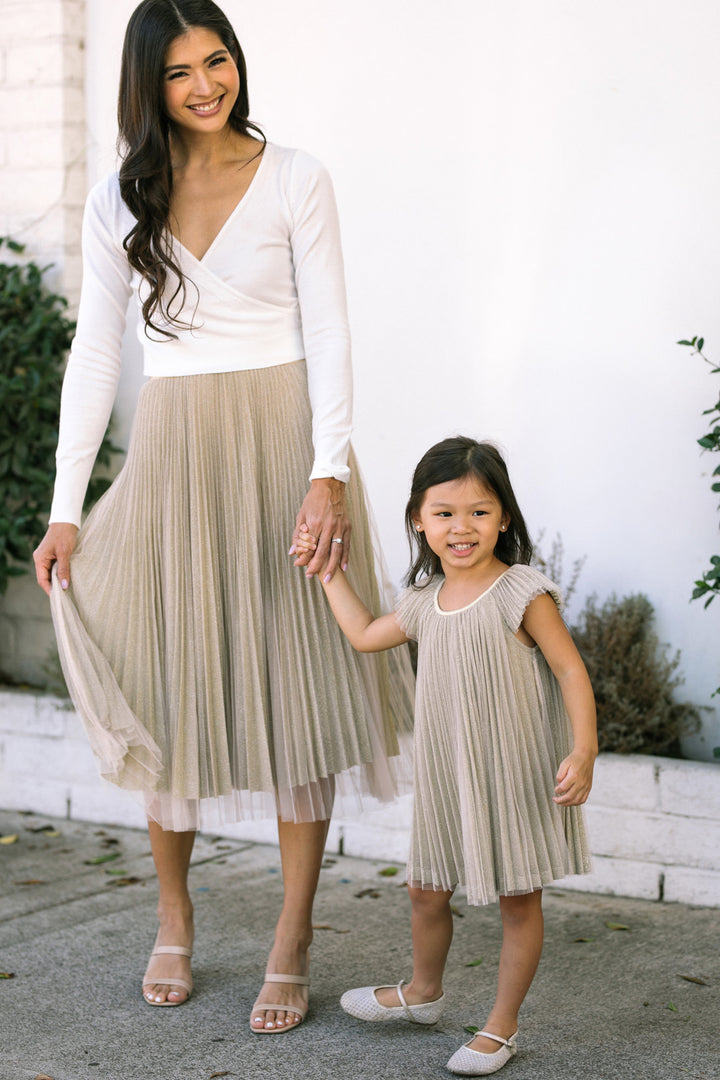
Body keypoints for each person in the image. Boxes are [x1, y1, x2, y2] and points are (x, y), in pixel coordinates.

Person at [32, 0, 412, 1033]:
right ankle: (175, 911)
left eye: (219, 61)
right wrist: (67, 507)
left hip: (288, 445)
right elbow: (97, 353)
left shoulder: (295, 176)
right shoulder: (122, 196)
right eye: (182, 73)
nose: (208, 85)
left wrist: (327, 470)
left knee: (300, 690)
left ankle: (291, 935)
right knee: (173, 685)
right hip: (176, 452)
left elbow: (332, 330)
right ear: (148, 86)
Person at [296, 436, 596, 1075]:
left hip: (513, 774)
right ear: (418, 521)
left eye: (480, 512)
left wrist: (584, 748)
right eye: (445, 513)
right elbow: (364, 635)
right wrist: (328, 572)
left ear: (504, 518)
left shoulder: (522, 591)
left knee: (519, 900)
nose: (462, 528)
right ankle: (422, 992)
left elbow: (571, 671)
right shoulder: (423, 600)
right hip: (444, 776)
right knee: (426, 891)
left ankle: (501, 1026)